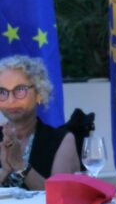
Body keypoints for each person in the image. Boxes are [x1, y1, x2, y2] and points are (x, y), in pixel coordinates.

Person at [0, 55, 80, 190]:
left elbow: (58, 195)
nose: (11, 100)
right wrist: (5, 171)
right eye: (2, 92)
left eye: (20, 90)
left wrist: (21, 165)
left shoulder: (62, 140)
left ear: (39, 94)